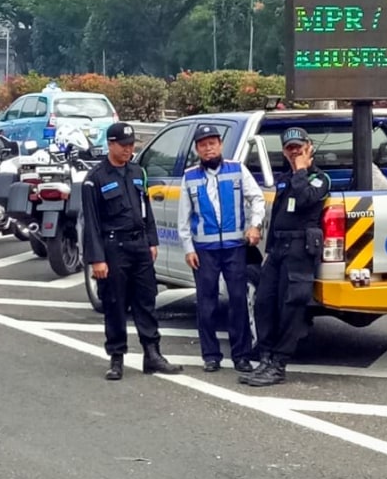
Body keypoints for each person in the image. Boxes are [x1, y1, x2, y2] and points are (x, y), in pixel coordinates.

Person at [82, 121, 182, 380]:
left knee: (146, 301)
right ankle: (116, 358)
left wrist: (152, 241)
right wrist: (97, 259)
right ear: (111, 144)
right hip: (114, 247)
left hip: (140, 246)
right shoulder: (95, 179)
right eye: (123, 146)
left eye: (131, 145)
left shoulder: (138, 172)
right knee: (115, 304)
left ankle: (152, 354)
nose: (128, 150)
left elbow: (146, 210)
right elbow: (91, 223)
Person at [241, 126, 331, 388]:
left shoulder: (319, 179)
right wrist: (268, 252)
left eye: (299, 147)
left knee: (291, 308)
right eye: (290, 148)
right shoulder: (284, 179)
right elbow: (278, 216)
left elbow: (304, 200)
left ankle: (279, 364)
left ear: (309, 146)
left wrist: (301, 169)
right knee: (264, 303)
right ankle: (266, 359)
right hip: (278, 249)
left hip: (299, 250)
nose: (294, 152)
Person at [178, 124, 266, 374]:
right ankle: (211, 355)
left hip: (234, 247)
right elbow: (183, 218)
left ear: (220, 145)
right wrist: (188, 248)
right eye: (203, 145)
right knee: (206, 304)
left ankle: (241, 356)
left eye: (212, 143)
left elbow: (257, 198)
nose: (208, 148)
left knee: (238, 301)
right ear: (197, 149)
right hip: (204, 250)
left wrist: (254, 225)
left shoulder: (237, 170)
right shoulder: (190, 176)